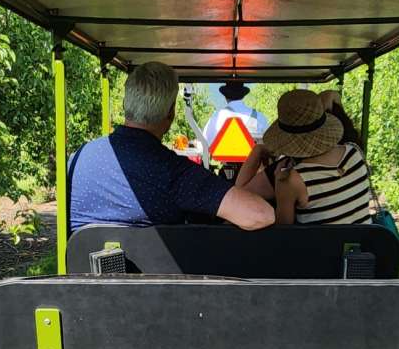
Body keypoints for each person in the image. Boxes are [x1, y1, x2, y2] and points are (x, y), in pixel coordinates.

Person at [67, 62, 274, 232]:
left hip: (82, 278)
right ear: (170, 113)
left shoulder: (76, 160)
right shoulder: (174, 172)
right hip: (154, 281)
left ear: (125, 104)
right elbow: (260, 215)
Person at [234, 89, 373, 226]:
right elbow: (331, 95)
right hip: (364, 246)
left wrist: (258, 152)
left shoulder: (291, 179)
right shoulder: (354, 151)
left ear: (285, 138)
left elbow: (282, 229)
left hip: (322, 249)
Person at [202, 81, 269, 148]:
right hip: (252, 158)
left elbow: (204, 144)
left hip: (225, 158)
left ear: (225, 97)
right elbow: (269, 143)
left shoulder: (217, 117)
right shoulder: (259, 117)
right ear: (242, 96)